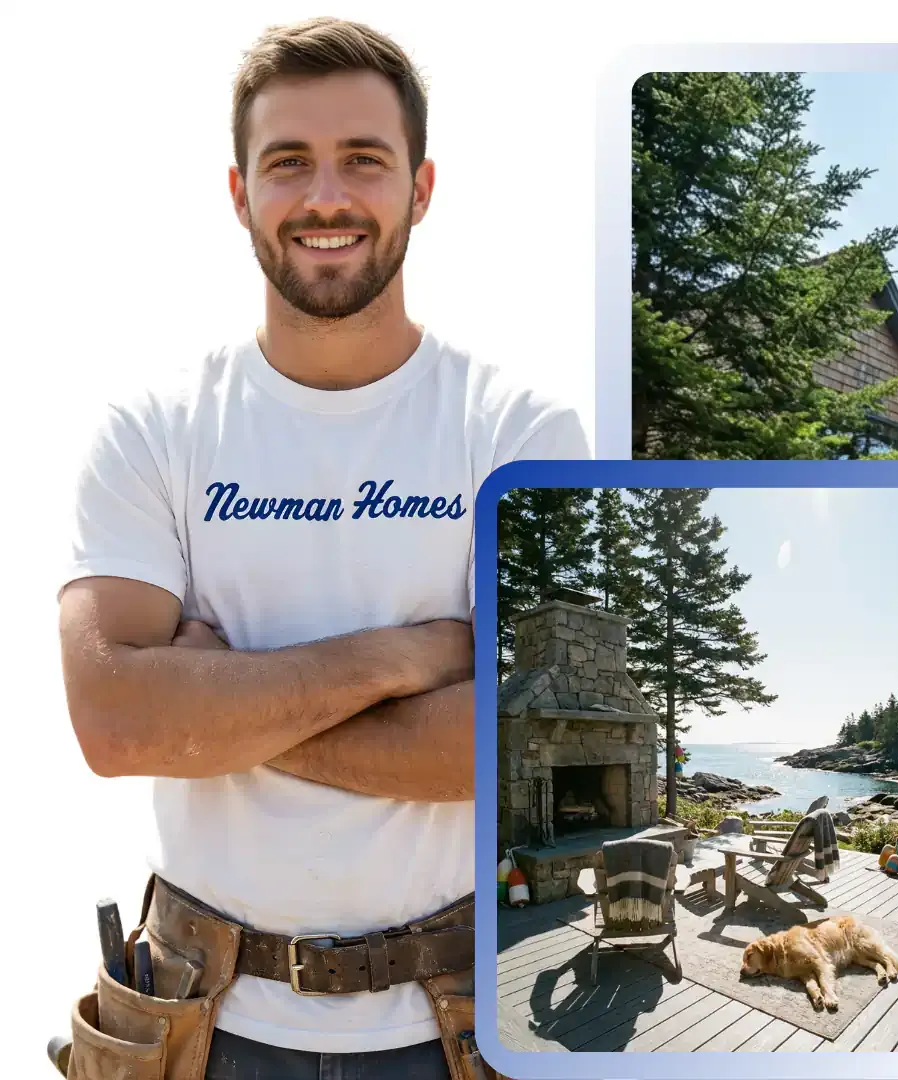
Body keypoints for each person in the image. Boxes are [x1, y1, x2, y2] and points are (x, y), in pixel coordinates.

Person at [57, 16, 587, 1079]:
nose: (325, 196)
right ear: (239, 191)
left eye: (363, 160)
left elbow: (535, 750)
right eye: (287, 162)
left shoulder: (521, 436)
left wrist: (210, 707)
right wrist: (401, 660)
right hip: (197, 1030)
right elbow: (115, 722)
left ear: (421, 188)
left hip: (459, 1031)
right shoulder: (153, 431)